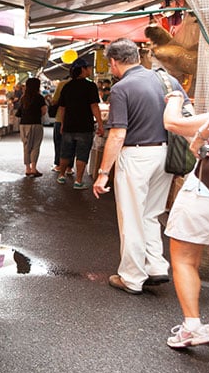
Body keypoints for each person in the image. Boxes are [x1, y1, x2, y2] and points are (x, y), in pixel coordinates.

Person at [92, 38, 186, 295]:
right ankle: (156, 266)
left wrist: (103, 173)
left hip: (136, 156)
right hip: (165, 153)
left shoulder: (122, 88)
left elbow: (117, 134)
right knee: (151, 213)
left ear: (113, 62)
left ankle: (132, 277)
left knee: (131, 216)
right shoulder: (167, 80)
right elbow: (184, 113)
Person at [161, 97, 209, 348]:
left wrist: (174, 99)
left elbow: (173, 123)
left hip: (205, 190)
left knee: (184, 258)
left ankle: (192, 326)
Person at [56, 58, 104, 189]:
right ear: (83, 69)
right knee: (82, 154)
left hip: (69, 125)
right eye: (89, 67)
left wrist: (62, 124)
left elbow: (62, 108)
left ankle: (61, 175)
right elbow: (94, 106)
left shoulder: (67, 86)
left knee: (65, 152)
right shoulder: (90, 86)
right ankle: (78, 181)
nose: (90, 69)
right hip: (84, 126)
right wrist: (100, 123)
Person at [17, 77, 46, 177]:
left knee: (26, 146)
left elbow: (19, 112)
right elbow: (44, 111)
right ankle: (33, 168)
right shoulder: (39, 97)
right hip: (36, 124)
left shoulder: (23, 98)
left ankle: (27, 169)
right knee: (35, 146)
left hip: (23, 124)